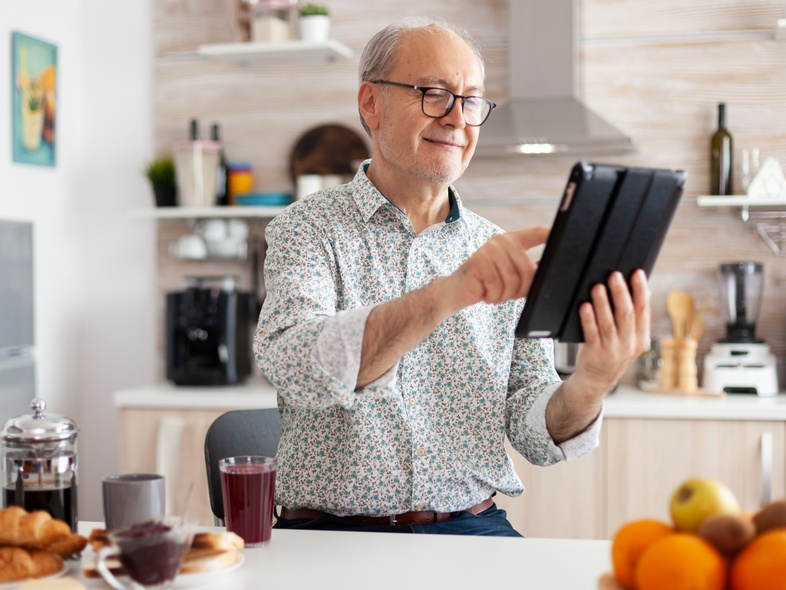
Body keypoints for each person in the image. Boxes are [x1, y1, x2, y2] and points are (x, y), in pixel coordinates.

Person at [254, 17, 650, 536]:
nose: (457, 119)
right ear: (371, 103)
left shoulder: (495, 249)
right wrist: (451, 292)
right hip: (334, 533)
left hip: (473, 527)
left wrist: (594, 380)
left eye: (471, 101)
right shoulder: (306, 229)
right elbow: (295, 366)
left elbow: (534, 429)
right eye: (435, 94)